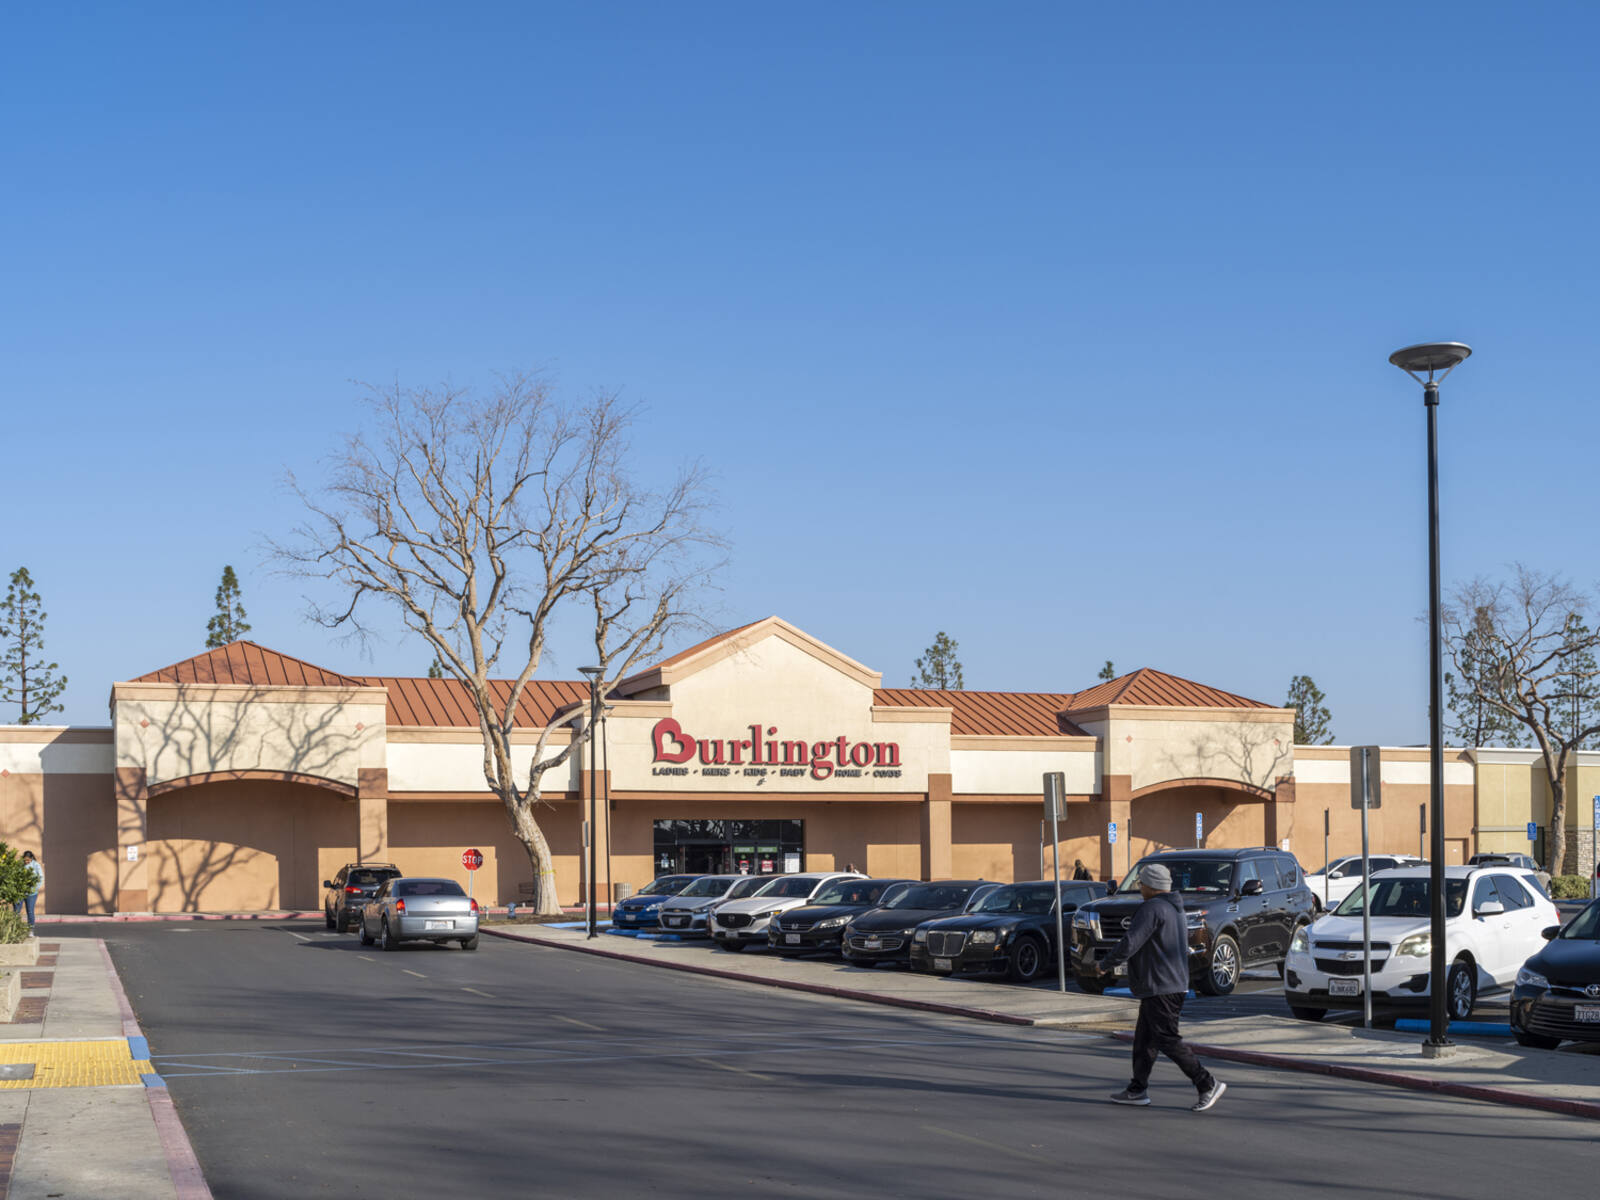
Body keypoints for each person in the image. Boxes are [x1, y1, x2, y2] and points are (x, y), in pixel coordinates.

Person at [1095, 861, 1225, 1112]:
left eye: (1142, 883)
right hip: (1170, 982)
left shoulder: (1152, 908)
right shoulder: (1174, 908)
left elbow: (1131, 941)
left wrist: (1106, 964)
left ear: (1152, 886)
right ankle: (1137, 1089)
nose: (1140, 887)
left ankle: (1207, 1083)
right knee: (1144, 1040)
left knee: (1167, 1039)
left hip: (1160, 984)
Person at [15, 851, 43, 934]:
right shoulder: (20, 864)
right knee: (16, 911)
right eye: (25, 860)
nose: (26, 862)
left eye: (28, 860)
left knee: (30, 911)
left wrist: (35, 888)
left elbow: (41, 878)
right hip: (20, 892)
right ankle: (15, 929)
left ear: (31, 858)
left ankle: (30, 930)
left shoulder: (36, 865)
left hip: (31, 893)